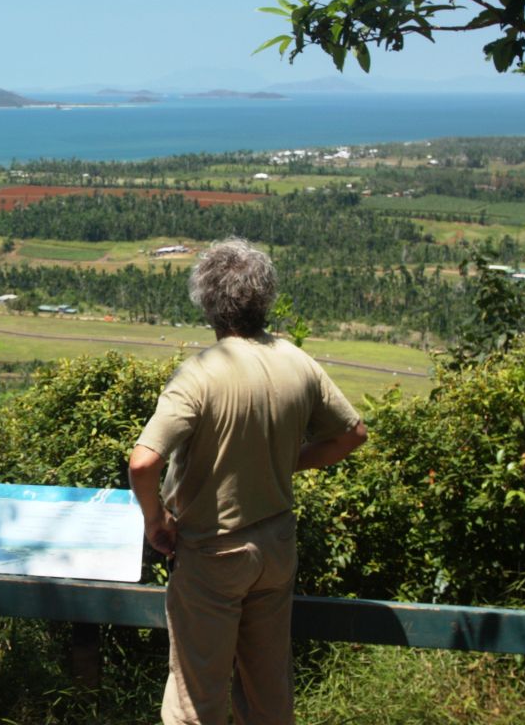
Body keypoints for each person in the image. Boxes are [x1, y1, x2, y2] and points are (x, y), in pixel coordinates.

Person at [128, 238, 367, 725]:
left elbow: (143, 462)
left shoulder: (200, 373)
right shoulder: (296, 360)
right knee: (267, 688)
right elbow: (352, 435)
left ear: (208, 302)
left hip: (214, 552)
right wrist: (284, 462)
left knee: (198, 696)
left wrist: (156, 520)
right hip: (276, 544)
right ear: (264, 298)